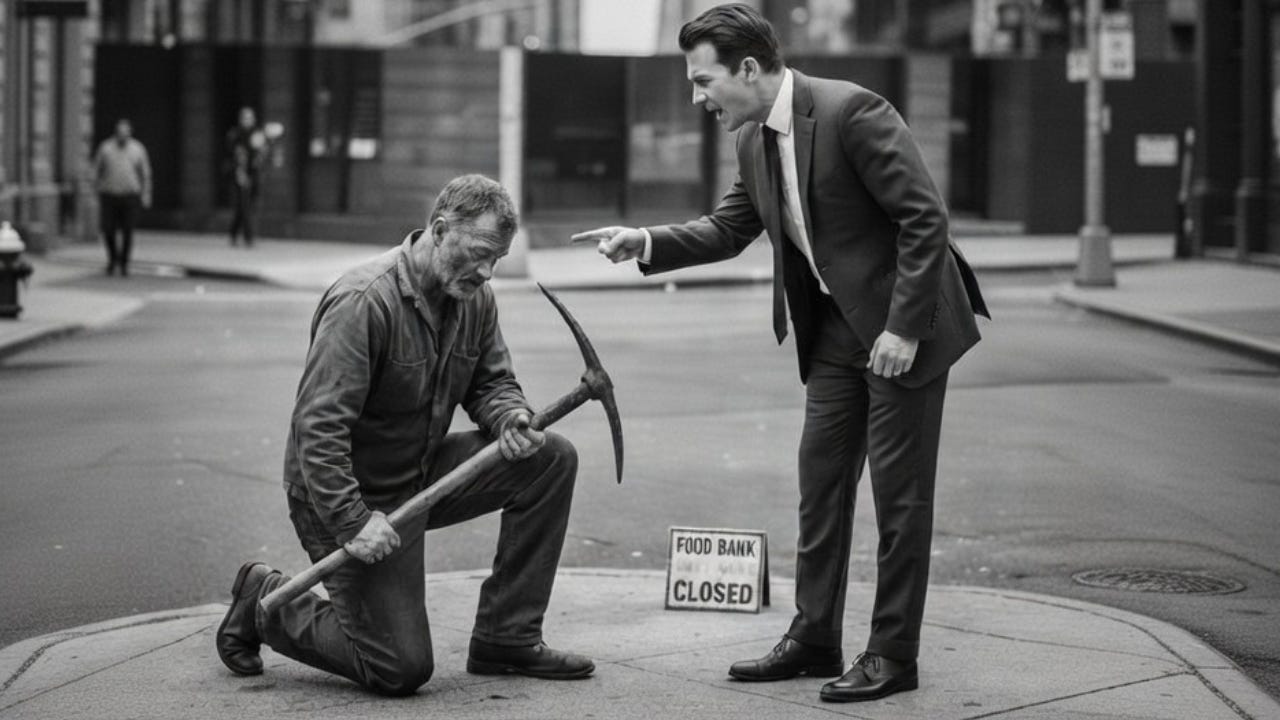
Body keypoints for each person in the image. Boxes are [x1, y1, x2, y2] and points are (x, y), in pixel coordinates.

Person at [572, 4, 988, 704]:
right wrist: (645, 241)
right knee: (820, 485)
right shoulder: (752, 140)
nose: (698, 97)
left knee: (900, 499)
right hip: (832, 333)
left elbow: (924, 217)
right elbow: (730, 227)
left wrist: (905, 328)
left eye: (705, 81)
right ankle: (814, 635)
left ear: (750, 68)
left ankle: (893, 654)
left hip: (899, 331)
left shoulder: (854, 112)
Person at [215, 174, 593, 696]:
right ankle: (267, 603)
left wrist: (511, 417)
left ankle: (507, 637)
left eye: (497, 260)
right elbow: (317, 430)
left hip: (417, 474)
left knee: (548, 459)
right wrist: (351, 522)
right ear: (439, 230)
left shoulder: (474, 298)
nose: (486, 271)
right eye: (481, 252)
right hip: (344, 494)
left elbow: (493, 383)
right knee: (399, 668)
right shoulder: (363, 302)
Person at [92, 118, 151, 276]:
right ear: (115, 133)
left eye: (125, 132)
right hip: (109, 194)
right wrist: (94, 189)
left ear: (130, 133)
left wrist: (146, 194)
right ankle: (112, 260)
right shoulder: (106, 148)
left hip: (130, 196)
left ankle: (124, 263)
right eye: (120, 132)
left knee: (128, 230)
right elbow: (96, 170)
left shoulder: (138, 149)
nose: (122, 135)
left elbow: (145, 174)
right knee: (108, 229)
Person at [225, 106, 267, 247]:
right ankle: (249, 238)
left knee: (243, 207)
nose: (248, 120)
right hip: (240, 175)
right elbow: (235, 157)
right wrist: (241, 175)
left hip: (253, 175)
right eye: (245, 117)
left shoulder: (257, 134)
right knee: (245, 205)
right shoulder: (235, 135)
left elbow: (261, 155)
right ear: (240, 119)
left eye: (250, 117)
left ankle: (232, 233)